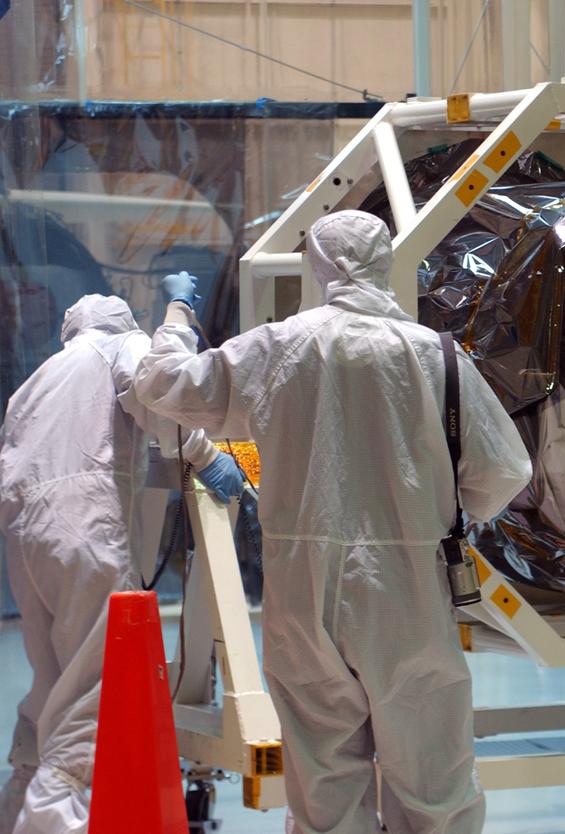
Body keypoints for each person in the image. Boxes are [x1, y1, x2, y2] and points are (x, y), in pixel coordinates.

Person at [133, 210, 532, 834]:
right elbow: (505, 468)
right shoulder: (435, 355)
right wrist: (447, 516)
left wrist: (178, 317)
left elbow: (163, 384)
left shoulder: (276, 346)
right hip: (409, 585)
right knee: (433, 777)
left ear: (315, 267)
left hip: (302, 582)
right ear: (387, 262)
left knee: (323, 779)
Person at [0, 294, 243, 834]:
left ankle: (18, 803)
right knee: (91, 691)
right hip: (83, 529)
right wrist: (207, 458)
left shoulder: (38, 379)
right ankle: (50, 821)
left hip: (24, 537)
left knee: (51, 682)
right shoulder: (119, 345)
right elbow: (161, 395)